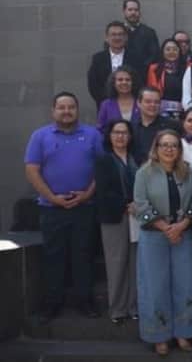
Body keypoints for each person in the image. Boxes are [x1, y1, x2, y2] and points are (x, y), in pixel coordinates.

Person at [24, 92, 104, 323]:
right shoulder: (40, 136)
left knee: (83, 255)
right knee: (53, 257)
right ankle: (52, 304)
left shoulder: (92, 134)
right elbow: (32, 171)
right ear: (53, 111)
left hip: (85, 206)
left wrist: (87, 194)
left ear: (77, 110)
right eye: (62, 107)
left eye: (71, 107)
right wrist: (53, 198)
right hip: (51, 208)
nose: (66, 111)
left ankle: (85, 301)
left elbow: (103, 168)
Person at [133, 129, 192, 356]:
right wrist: (165, 227)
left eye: (174, 145)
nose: (169, 149)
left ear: (179, 149)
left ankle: (184, 331)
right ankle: (159, 335)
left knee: (186, 283)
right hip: (154, 236)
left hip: (183, 234)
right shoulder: (144, 173)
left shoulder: (188, 172)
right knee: (155, 285)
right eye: (164, 145)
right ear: (156, 148)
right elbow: (140, 204)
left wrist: (181, 225)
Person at [95, 120, 139, 324]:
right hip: (114, 217)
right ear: (109, 136)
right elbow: (103, 191)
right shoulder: (104, 161)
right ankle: (118, 309)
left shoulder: (136, 158)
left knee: (135, 263)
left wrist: (138, 205)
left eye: (124, 133)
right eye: (116, 132)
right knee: (116, 263)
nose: (120, 136)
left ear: (130, 136)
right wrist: (125, 204)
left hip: (137, 216)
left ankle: (134, 306)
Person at [88, 21, 145, 109]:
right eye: (113, 34)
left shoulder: (136, 58)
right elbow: (93, 85)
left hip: (131, 105)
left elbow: (140, 81)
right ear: (107, 38)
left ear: (126, 37)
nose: (117, 37)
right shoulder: (98, 59)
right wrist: (107, 102)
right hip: (105, 105)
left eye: (120, 34)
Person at [131, 87, 181, 164]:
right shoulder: (131, 127)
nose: (153, 105)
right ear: (138, 103)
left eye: (156, 102)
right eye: (148, 102)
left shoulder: (172, 125)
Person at [146, 38, 190, 119]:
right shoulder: (154, 68)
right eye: (168, 49)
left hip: (184, 111)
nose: (171, 52)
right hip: (160, 111)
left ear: (179, 51)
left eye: (174, 49)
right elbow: (151, 91)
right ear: (162, 52)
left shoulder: (188, 67)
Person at [96, 65, 141, 130]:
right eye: (120, 80)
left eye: (128, 80)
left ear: (133, 82)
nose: (124, 82)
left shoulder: (141, 102)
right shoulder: (106, 105)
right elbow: (100, 129)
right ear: (114, 83)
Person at [122, 0, 160, 66]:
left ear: (139, 12)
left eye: (136, 10)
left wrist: (142, 67)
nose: (133, 12)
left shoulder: (149, 32)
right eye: (130, 10)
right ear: (124, 11)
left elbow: (155, 55)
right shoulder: (117, 31)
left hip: (143, 71)